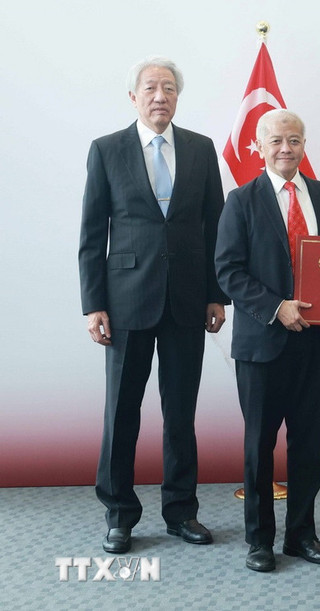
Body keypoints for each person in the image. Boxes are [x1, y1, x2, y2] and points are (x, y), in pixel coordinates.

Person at [78, 56, 228, 554]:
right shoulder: (106, 150)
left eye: (168, 88)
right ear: (133, 97)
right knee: (121, 412)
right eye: (150, 88)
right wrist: (93, 303)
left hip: (188, 299)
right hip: (125, 302)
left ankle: (181, 511)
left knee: (180, 413)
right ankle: (119, 513)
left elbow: (216, 229)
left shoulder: (202, 149)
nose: (160, 95)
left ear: (177, 97)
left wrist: (215, 293)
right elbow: (92, 233)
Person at [215, 109, 320, 573]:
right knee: (258, 446)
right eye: (276, 141)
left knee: (310, 443)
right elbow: (228, 270)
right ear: (259, 146)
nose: (286, 149)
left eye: (294, 140)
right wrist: (277, 306)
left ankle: (302, 535)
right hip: (262, 344)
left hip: (316, 345)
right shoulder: (241, 201)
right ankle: (259, 541)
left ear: (305, 143)